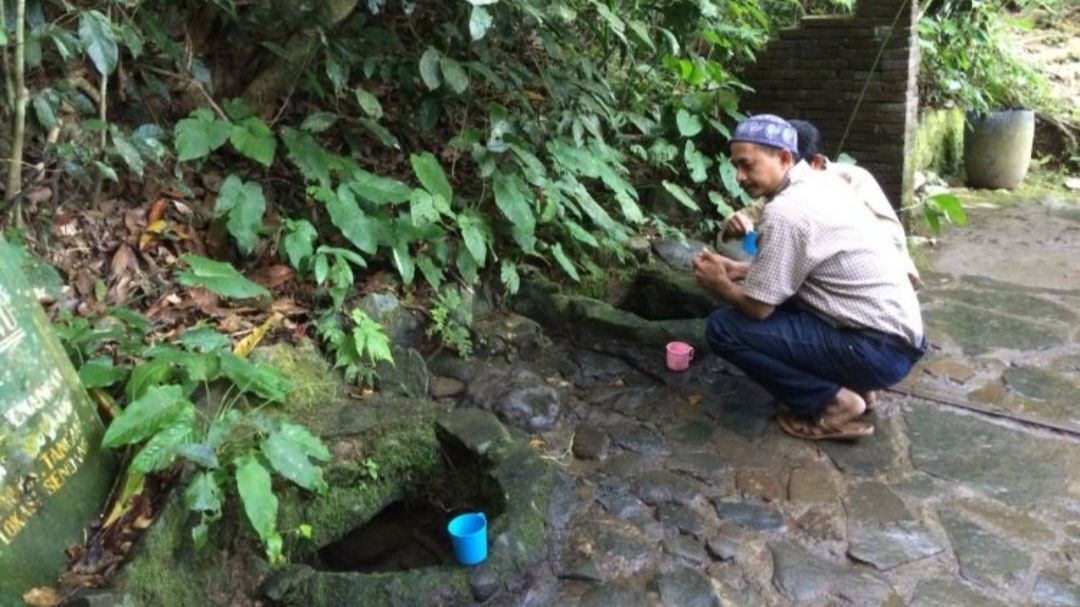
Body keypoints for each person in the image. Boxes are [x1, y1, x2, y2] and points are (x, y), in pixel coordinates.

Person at [693, 114, 926, 440]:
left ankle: (835, 405)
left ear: (785, 158)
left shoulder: (786, 211)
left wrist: (719, 283)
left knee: (724, 328)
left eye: (747, 165)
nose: (739, 176)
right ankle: (860, 385)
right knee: (784, 301)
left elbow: (759, 309)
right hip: (899, 339)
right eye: (736, 166)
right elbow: (811, 265)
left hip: (878, 351)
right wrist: (739, 269)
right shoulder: (824, 182)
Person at [721, 119, 922, 289]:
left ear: (814, 162)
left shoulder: (852, 182)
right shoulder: (781, 193)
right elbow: (745, 217)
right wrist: (733, 222)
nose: (739, 176)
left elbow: (892, 244)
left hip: (882, 287)